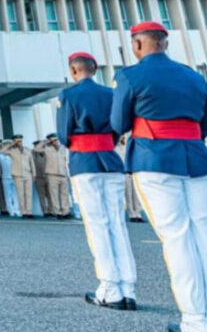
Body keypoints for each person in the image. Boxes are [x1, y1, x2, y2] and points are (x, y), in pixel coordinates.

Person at [111, 22, 207, 332]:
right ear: (165, 44)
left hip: (154, 159)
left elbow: (118, 122)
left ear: (137, 45)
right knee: (206, 238)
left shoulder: (129, 76)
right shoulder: (195, 77)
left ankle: (195, 321)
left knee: (177, 240)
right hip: (197, 161)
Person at [57, 51, 137, 311]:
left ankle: (110, 288)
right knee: (117, 224)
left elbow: (63, 134)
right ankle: (128, 288)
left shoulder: (68, 95)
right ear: (94, 69)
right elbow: (117, 128)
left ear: (74, 71)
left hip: (85, 162)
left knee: (97, 226)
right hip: (110, 161)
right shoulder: (110, 94)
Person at [37, 133, 72, 219]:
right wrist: (45, 142)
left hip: (63, 174)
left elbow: (66, 161)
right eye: (53, 140)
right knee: (54, 195)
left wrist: (68, 174)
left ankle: (66, 211)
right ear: (50, 141)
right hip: (52, 174)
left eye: (56, 140)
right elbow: (36, 149)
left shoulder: (62, 148)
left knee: (64, 194)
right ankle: (58, 212)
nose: (55, 142)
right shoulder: (47, 149)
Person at [3, 135, 35, 218]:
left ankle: (29, 212)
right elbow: (2, 152)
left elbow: (31, 162)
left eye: (20, 141)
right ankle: (23, 212)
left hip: (27, 173)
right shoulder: (12, 150)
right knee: (20, 194)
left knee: (28, 194)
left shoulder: (27, 150)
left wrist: (34, 173)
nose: (19, 143)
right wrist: (11, 145)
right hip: (17, 175)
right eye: (17, 141)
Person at [114, 137, 144, 222]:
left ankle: (137, 211)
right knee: (127, 187)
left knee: (135, 186)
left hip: (132, 154)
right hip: (120, 153)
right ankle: (131, 212)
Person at [32, 140, 52, 217]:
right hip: (39, 177)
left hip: (48, 176)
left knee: (50, 195)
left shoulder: (46, 152)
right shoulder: (33, 153)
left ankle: (51, 210)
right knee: (42, 195)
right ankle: (45, 211)